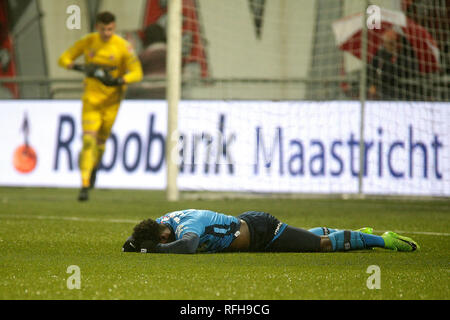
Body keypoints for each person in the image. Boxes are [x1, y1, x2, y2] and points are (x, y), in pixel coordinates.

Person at [58, 11, 143, 201]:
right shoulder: (89, 42)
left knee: (101, 143)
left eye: (110, 29)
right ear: (98, 27)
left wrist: (121, 80)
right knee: (89, 140)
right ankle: (84, 184)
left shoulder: (122, 47)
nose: (106, 33)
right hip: (91, 101)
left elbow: (137, 72)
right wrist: (79, 67)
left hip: (112, 103)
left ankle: (94, 168)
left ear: (114, 28)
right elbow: (63, 59)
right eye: (103, 29)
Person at [122, 209, 420, 254]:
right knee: (305, 237)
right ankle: (356, 232)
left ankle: (384, 240)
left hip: (263, 232)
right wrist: (134, 245)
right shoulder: (162, 223)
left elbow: (188, 246)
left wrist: (152, 251)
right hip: (251, 233)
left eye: (162, 242)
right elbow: (133, 240)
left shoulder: (188, 227)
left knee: (321, 245)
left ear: (163, 236)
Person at [367, 28, 420, 100]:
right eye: (385, 42)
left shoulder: (408, 55)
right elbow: (370, 70)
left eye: (390, 43)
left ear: (398, 42)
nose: (387, 45)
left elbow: (402, 73)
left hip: (403, 92)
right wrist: (372, 84)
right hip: (382, 92)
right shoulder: (381, 54)